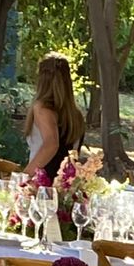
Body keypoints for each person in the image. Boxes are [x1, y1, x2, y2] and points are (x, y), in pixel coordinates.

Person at [22, 53, 85, 182]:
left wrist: (24, 177)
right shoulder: (75, 116)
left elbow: (51, 144)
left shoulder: (42, 109)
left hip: (41, 183)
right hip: (65, 185)